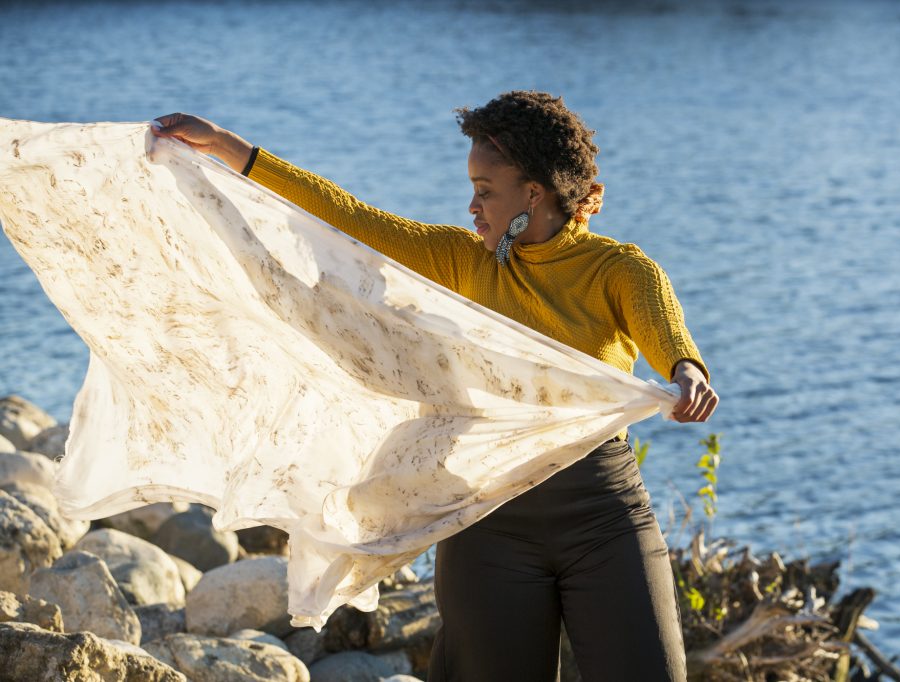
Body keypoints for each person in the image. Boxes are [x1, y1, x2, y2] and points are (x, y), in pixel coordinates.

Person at [153, 90, 718, 681]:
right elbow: (345, 216)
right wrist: (228, 149)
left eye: (485, 190)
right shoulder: (460, 260)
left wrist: (688, 374)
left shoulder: (619, 270)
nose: (472, 206)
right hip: (489, 524)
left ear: (534, 193)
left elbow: (669, 340)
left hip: (602, 517)